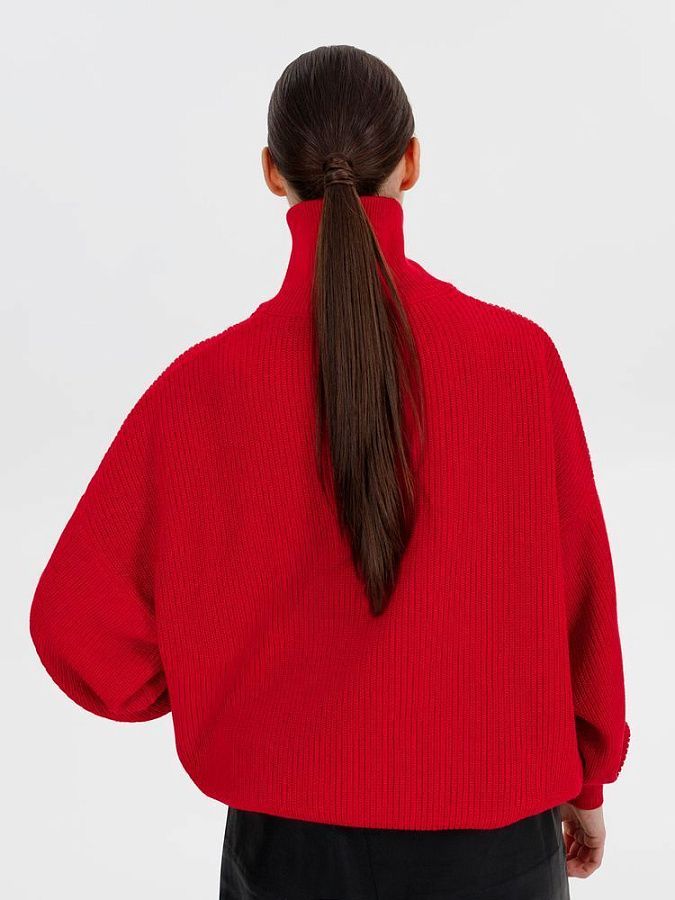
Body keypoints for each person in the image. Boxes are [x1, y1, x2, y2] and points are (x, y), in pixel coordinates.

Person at [29, 45, 629, 899]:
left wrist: (224, 684)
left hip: (288, 849)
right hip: (497, 847)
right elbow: (582, 600)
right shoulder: (517, 362)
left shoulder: (202, 388)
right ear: (410, 163)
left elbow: (76, 621)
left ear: (273, 174)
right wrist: (587, 784)